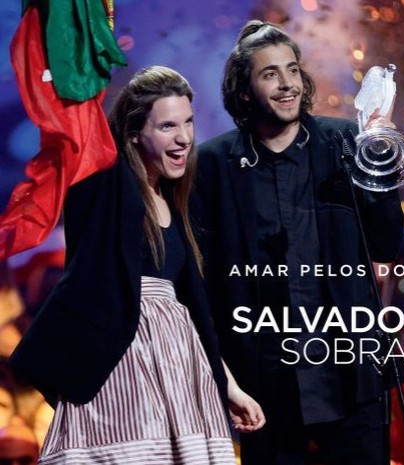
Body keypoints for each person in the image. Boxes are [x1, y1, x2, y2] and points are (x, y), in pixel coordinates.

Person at [8, 65, 264, 463]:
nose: (184, 137)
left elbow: (197, 314)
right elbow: (76, 122)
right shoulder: (104, 183)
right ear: (132, 133)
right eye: (167, 126)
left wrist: (229, 386)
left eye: (188, 122)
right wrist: (79, 45)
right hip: (119, 366)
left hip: (180, 374)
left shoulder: (177, 204)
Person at [194, 20, 404, 465]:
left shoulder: (345, 142)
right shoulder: (212, 165)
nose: (287, 83)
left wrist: (381, 164)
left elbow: (385, 246)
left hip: (351, 380)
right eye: (270, 74)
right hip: (266, 389)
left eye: (292, 70)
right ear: (244, 90)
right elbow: (203, 280)